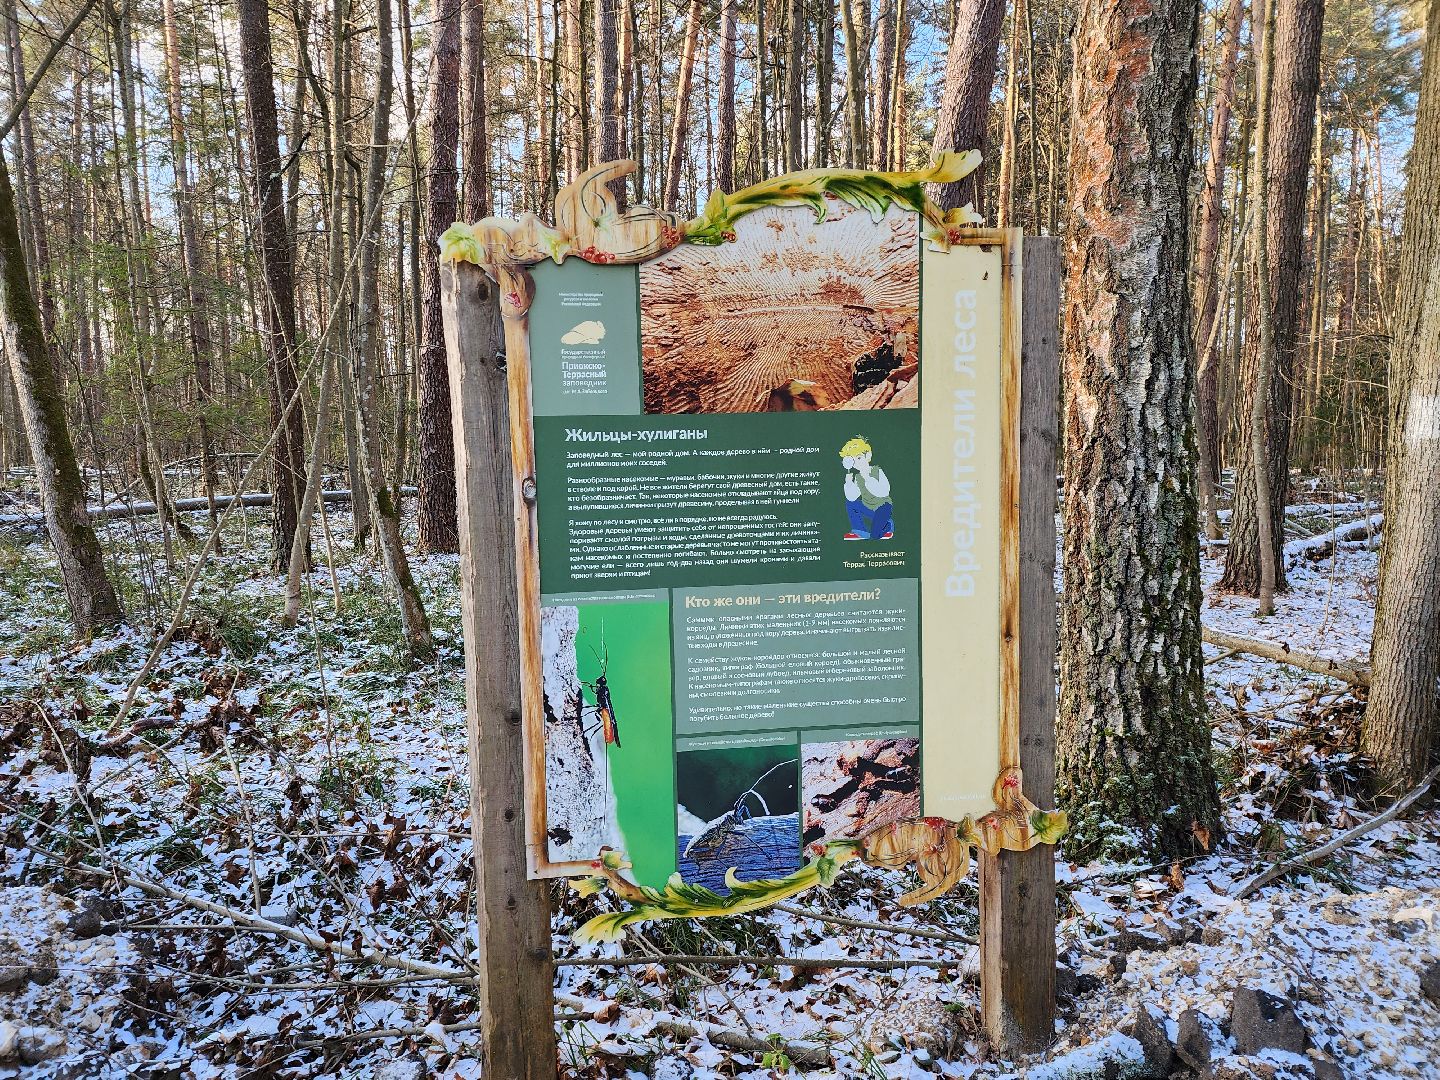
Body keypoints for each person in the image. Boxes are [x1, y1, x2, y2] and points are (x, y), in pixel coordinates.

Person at [839, 436, 894, 541]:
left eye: (859, 458)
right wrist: (848, 483)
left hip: (883, 507)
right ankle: (859, 531)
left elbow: (884, 492)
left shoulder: (877, 471)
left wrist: (868, 478)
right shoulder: (858, 477)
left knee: (874, 535)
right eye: (853, 460)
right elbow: (852, 497)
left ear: (868, 456)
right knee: (850, 504)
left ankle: (888, 526)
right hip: (868, 508)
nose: (857, 463)